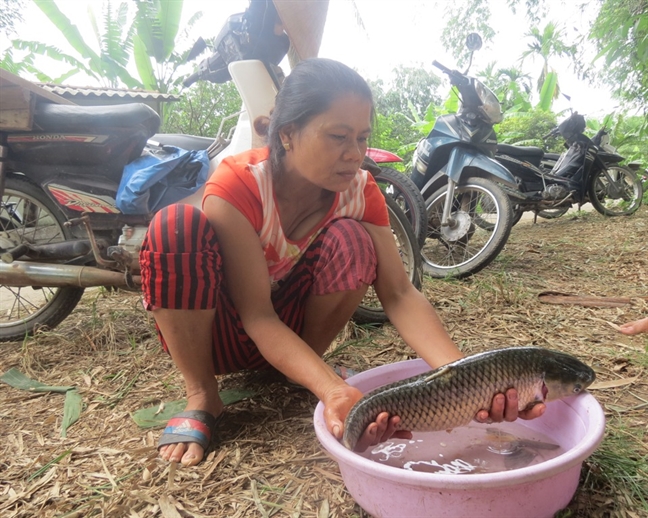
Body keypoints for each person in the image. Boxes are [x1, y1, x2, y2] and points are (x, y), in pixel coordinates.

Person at [139, 57, 544, 467]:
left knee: (354, 241)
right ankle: (202, 395)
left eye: (362, 139)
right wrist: (333, 390)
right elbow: (257, 316)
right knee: (174, 224)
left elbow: (400, 294)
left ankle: (300, 370)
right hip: (224, 334)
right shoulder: (239, 185)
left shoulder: (359, 190)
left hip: (293, 335)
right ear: (287, 135)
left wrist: (467, 378)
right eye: (338, 136)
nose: (355, 155)